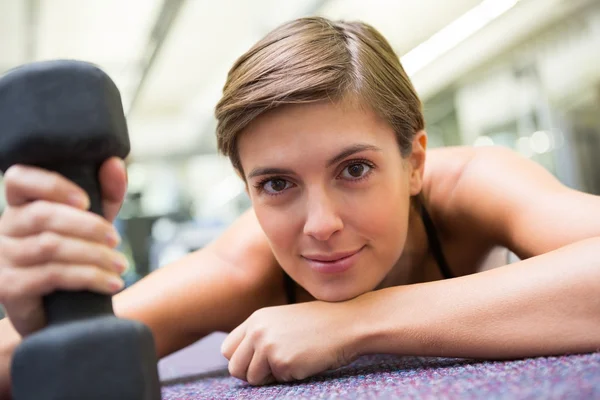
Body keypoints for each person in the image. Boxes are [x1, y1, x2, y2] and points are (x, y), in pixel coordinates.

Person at [1, 16, 600, 394]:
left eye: (355, 169)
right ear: (247, 190)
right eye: (277, 185)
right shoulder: (244, 267)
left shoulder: (472, 183)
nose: (321, 226)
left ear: (416, 162)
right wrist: (48, 314)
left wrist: (356, 321)